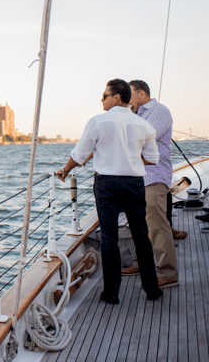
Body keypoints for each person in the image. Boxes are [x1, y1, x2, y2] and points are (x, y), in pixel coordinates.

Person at [57, 79, 162, 304]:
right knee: (141, 236)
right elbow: (153, 158)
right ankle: (152, 289)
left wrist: (65, 170)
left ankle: (111, 293)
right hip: (134, 183)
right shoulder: (143, 125)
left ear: (116, 97)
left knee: (109, 237)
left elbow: (79, 154)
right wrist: (130, 159)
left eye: (104, 96)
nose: (101, 100)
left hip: (107, 184)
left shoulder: (97, 122)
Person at [126, 80, 179, 287]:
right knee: (137, 224)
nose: (127, 98)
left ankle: (168, 272)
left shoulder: (159, 110)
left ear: (141, 94)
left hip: (153, 176)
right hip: (136, 176)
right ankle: (141, 262)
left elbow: (145, 138)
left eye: (130, 93)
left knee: (156, 225)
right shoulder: (134, 114)